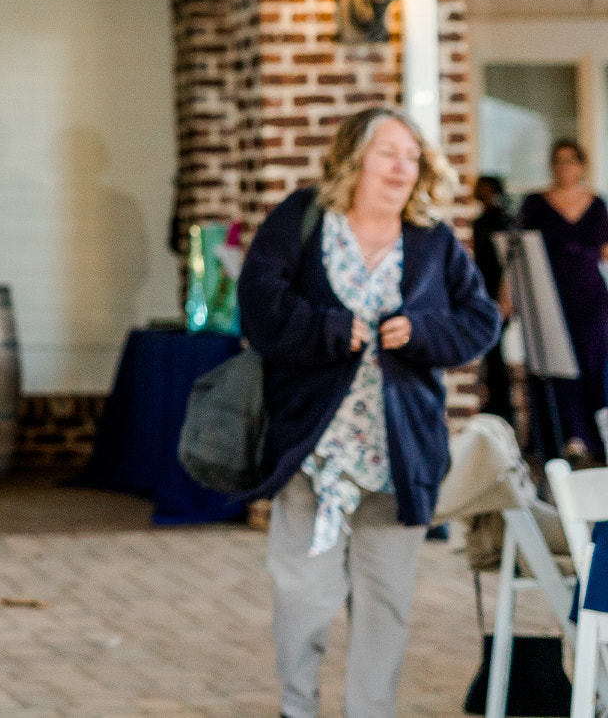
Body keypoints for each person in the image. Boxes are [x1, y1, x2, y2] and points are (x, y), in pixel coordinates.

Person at [236, 107, 499, 718]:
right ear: (354, 158)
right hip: (314, 448)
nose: (402, 168)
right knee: (304, 591)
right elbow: (259, 304)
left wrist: (426, 332)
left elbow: (479, 320)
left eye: (412, 156)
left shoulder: (432, 239)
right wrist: (327, 328)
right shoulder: (301, 220)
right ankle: (297, 706)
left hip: (400, 453)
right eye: (389, 153)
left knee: (386, 600)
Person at [519, 139, 608, 462]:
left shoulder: (596, 204)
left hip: (591, 295)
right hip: (549, 294)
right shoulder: (535, 203)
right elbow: (520, 254)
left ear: (582, 165)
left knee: (592, 364)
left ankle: (591, 439)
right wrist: (508, 297)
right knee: (555, 365)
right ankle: (558, 438)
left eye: (571, 160)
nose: (564, 167)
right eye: (559, 160)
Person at [469, 174, 514, 424]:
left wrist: (504, 296)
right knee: (490, 353)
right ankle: (495, 403)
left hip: (496, 294)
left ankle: (501, 406)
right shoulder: (480, 221)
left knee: (496, 353)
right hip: (483, 294)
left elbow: (505, 263)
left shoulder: (498, 221)